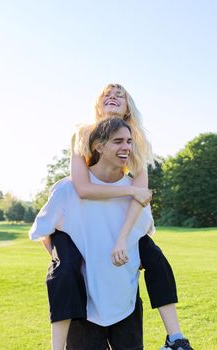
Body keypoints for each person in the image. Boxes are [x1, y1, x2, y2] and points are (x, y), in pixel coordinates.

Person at [30, 118, 150, 349]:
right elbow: (45, 233)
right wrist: (73, 266)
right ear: (99, 146)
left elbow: (144, 235)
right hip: (82, 309)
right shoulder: (67, 189)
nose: (126, 147)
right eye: (118, 141)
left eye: (129, 141)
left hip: (125, 300)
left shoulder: (135, 193)